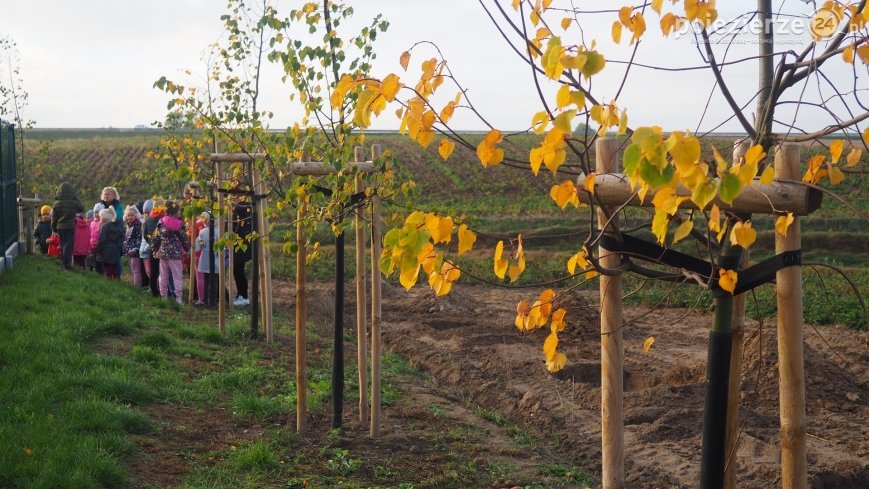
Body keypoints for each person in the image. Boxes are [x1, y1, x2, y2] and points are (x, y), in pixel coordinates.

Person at [151, 201, 189, 304]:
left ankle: (163, 297)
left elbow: (155, 237)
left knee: (163, 276)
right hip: (175, 253)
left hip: (163, 253)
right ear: (175, 212)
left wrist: (155, 249)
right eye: (179, 211)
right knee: (177, 276)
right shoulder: (179, 224)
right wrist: (188, 249)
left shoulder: (161, 222)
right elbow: (184, 238)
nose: (180, 213)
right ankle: (179, 298)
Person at [52, 182, 85, 270]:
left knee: (63, 245)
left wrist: (54, 229)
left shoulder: (56, 204)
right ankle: (67, 265)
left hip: (60, 227)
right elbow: (81, 208)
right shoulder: (73, 203)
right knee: (68, 246)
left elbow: (54, 219)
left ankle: (63, 262)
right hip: (70, 227)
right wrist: (76, 198)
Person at [194, 211, 223, 306]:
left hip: (205, 257)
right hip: (216, 257)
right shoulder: (219, 232)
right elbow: (222, 246)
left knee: (206, 280)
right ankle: (213, 300)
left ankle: (205, 300)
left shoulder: (202, 232)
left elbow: (199, 246)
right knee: (214, 280)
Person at [231, 187, 253, 306]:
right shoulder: (239, 208)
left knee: (238, 270)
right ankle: (241, 294)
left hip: (241, 244)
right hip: (238, 244)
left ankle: (244, 296)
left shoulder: (243, 207)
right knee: (237, 270)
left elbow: (240, 227)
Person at [94, 207, 123, 279]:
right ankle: (116, 282)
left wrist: (98, 250)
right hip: (114, 249)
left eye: (100, 217)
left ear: (104, 218)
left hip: (106, 250)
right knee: (113, 268)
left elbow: (102, 240)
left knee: (107, 269)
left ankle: (109, 283)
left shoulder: (105, 227)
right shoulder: (116, 226)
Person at [143, 199, 163, 297]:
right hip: (164, 248)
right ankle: (164, 292)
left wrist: (151, 243)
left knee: (153, 271)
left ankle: (154, 292)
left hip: (153, 249)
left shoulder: (149, 219)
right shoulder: (164, 218)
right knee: (163, 271)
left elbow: (145, 234)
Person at [123, 206, 144, 288]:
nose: (130, 217)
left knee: (136, 270)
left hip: (135, 252)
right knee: (133, 269)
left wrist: (135, 248)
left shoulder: (138, 225)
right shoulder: (128, 225)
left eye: (132, 215)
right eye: (128, 215)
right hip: (129, 251)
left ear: (136, 216)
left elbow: (139, 238)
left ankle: (137, 287)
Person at [88, 204, 105, 273]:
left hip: (100, 245)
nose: (96, 214)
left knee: (99, 262)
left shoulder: (102, 223)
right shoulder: (92, 223)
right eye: (95, 212)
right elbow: (90, 234)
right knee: (93, 261)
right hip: (92, 245)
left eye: (98, 212)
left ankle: (101, 274)